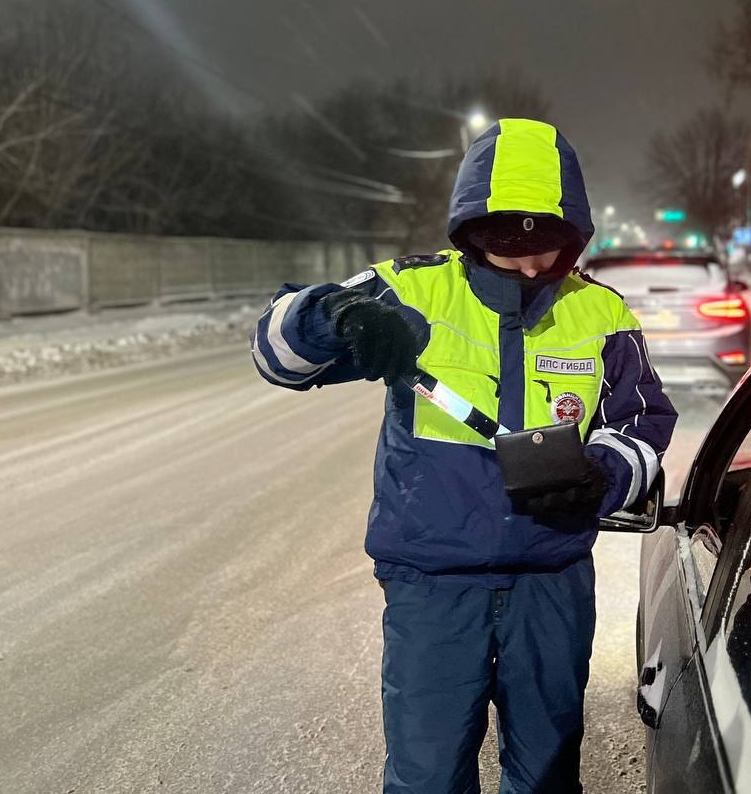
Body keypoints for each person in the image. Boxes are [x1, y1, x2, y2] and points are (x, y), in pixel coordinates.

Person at [250, 117, 677, 793]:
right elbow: (275, 355)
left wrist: (604, 473)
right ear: (474, 230)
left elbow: (643, 419)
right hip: (433, 586)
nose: (532, 266)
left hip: (552, 581)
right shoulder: (411, 291)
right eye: (510, 246)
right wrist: (336, 316)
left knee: (546, 775)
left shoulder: (602, 313)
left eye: (549, 246)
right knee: (428, 776)